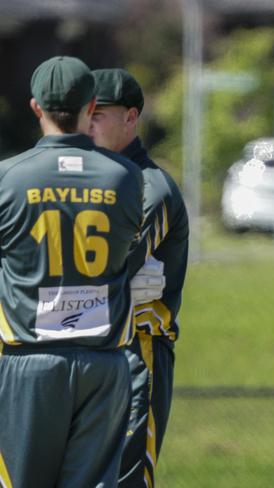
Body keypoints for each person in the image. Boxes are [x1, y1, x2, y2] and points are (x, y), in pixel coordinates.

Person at [0, 56, 145, 487]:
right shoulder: (127, 177)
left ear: (36, 108)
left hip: (31, 358)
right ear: (91, 105)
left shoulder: (7, 178)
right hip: (104, 362)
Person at [90, 68, 189, 488]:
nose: (87, 123)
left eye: (99, 114)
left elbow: (117, 268)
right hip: (91, 351)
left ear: (131, 118)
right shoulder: (89, 185)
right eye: (84, 113)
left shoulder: (152, 187)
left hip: (138, 353)